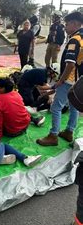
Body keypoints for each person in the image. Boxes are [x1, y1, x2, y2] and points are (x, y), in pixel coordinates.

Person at [37, 11, 83, 146]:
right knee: (74, 105)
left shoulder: (75, 40)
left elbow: (70, 64)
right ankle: (69, 131)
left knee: (56, 107)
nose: (65, 27)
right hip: (79, 80)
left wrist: (60, 81)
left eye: (67, 24)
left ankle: (53, 135)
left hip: (69, 79)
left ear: (74, 23)